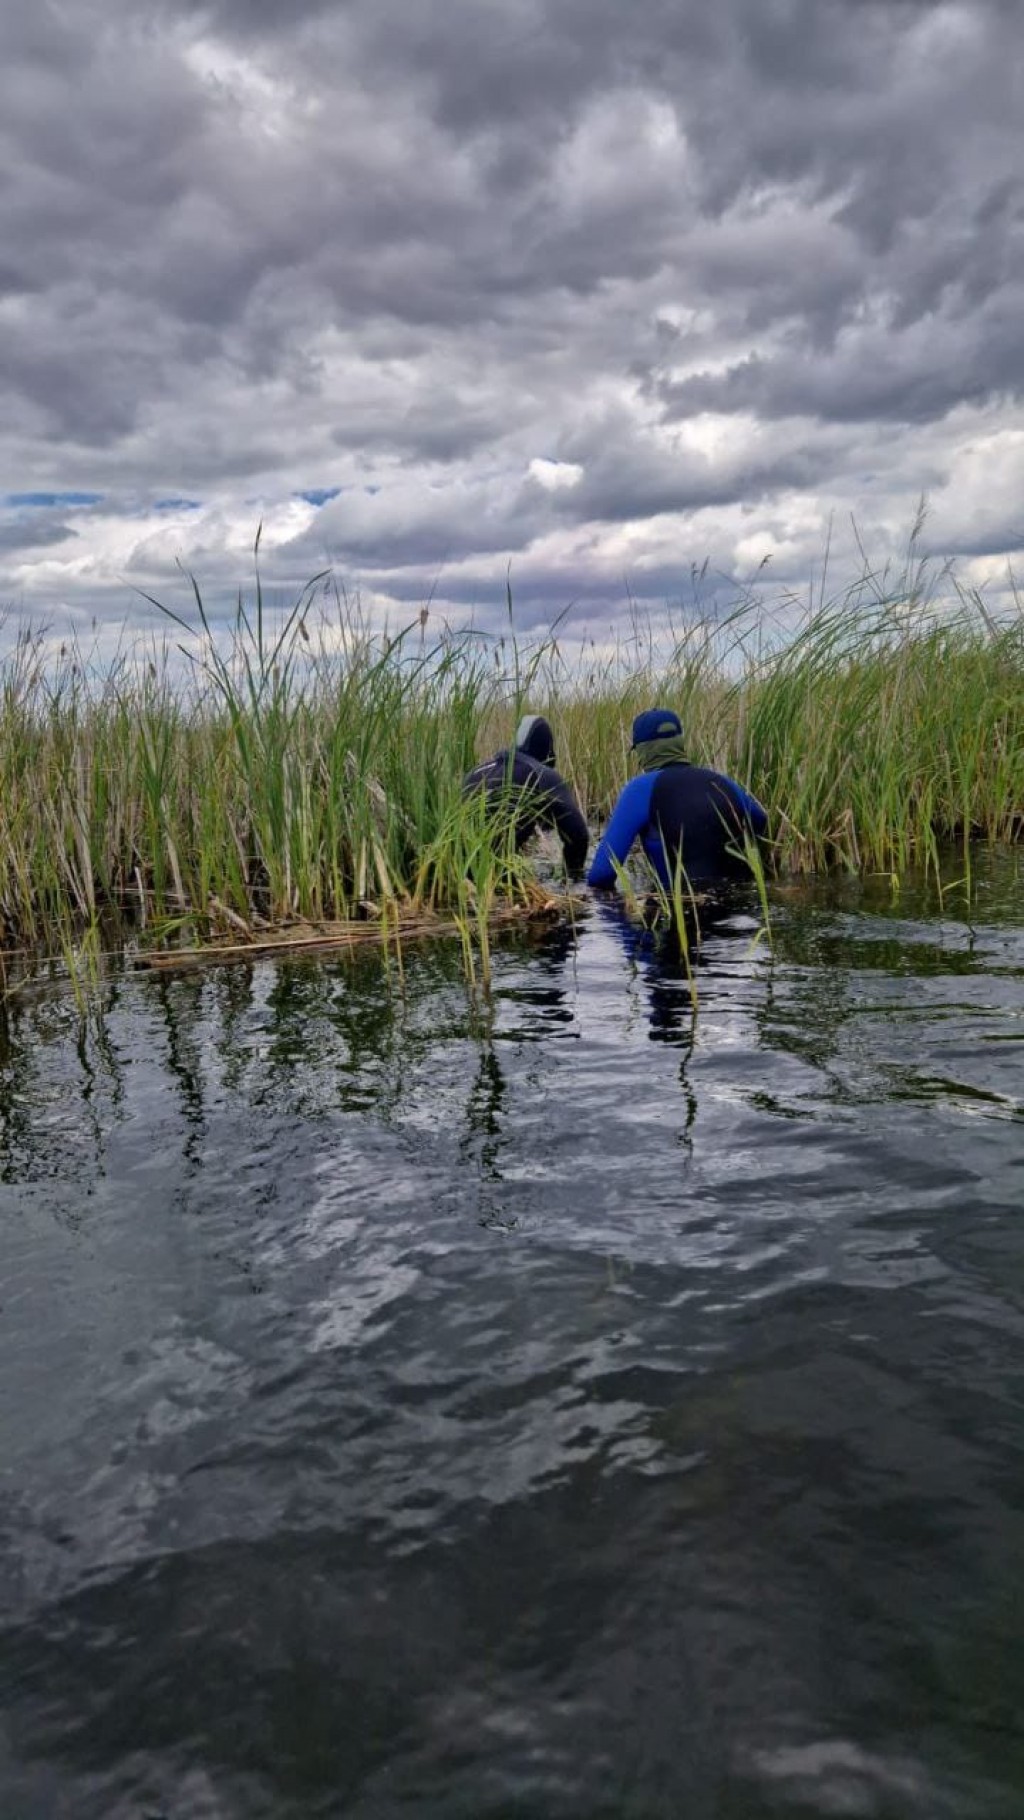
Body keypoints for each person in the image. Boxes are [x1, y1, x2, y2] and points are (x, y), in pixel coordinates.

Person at [586, 708, 767, 892]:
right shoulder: (722, 782)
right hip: (738, 908)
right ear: (680, 743)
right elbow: (760, 821)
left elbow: (601, 875)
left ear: (643, 751)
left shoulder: (640, 789)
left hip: (679, 905)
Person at [463, 713, 589, 876]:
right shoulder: (541, 773)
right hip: (495, 874)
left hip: (457, 871)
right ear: (547, 752)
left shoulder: (476, 772)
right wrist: (573, 877)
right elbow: (578, 836)